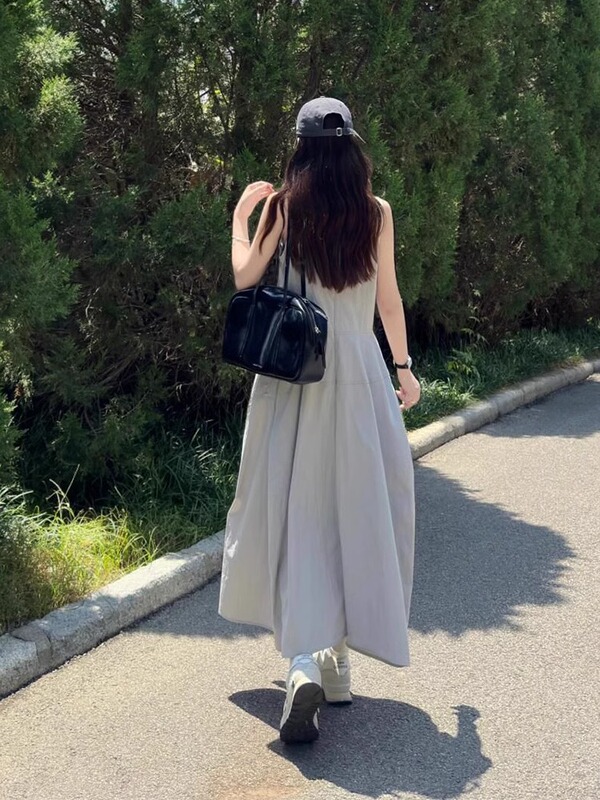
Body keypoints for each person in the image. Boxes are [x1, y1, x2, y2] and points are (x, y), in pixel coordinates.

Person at [218, 97, 421, 744]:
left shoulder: (283, 207)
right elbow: (388, 302)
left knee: (297, 511)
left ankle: (306, 659)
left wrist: (240, 219)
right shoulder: (376, 212)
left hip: (295, 377)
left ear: (301, 148)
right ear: (353, 148)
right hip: (359, 378)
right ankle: (335, 663)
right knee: (355, 513)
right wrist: (404, 368)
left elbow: (245, 277)